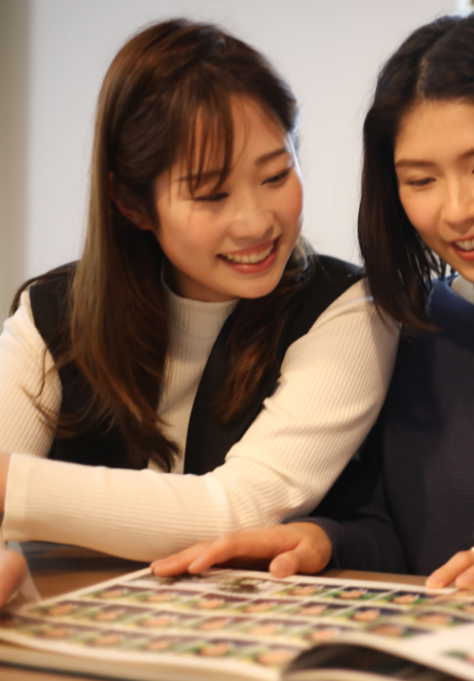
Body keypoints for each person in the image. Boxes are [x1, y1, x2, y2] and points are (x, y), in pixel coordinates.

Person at [150, 10, 474, 592]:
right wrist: (327, 540)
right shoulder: (408, 324)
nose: (456, 210)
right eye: (421, 180)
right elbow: (395, 533)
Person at [0, 19, 397, 602]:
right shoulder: (53, 313)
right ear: (131, 204)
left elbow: (240, 509)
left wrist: (17, 489)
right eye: (212, 194)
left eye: (276, 174)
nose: (257, 222)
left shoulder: (349, 310)